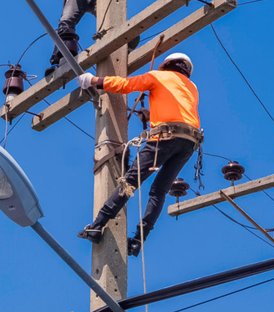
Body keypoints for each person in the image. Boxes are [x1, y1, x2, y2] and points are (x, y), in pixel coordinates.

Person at [75, 52, 201, 255]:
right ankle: (138, 241)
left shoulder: (158, 76)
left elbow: (126, 85)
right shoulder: (192, 88)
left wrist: (94, 80)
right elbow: (177, 110)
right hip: (188, 142)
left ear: (166, 64)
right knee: (159, 191)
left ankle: (97, 225)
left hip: (165, 137)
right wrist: (151, 115)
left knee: (130, 182)